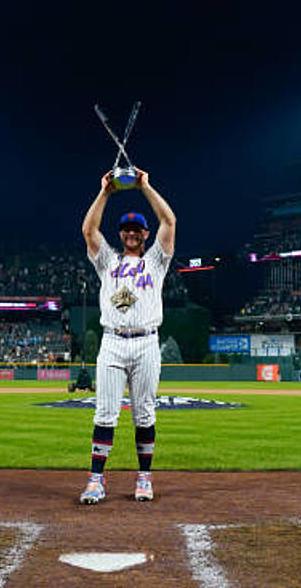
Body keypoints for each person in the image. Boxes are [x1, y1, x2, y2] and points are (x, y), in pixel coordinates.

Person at [78, 167, 176, 504]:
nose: (131, 233)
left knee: (145, 414)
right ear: (120, 234)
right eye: (126, 229)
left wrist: (146, 186)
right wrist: (105, 191)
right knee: (105, 414)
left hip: (147, 342)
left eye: (137, 229)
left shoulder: (156, 262)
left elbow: (170, 222)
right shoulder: (107, 261)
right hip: (113, 342)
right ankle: (95, 480)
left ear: (145, 234)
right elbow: (89, 229)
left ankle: (144, 478)